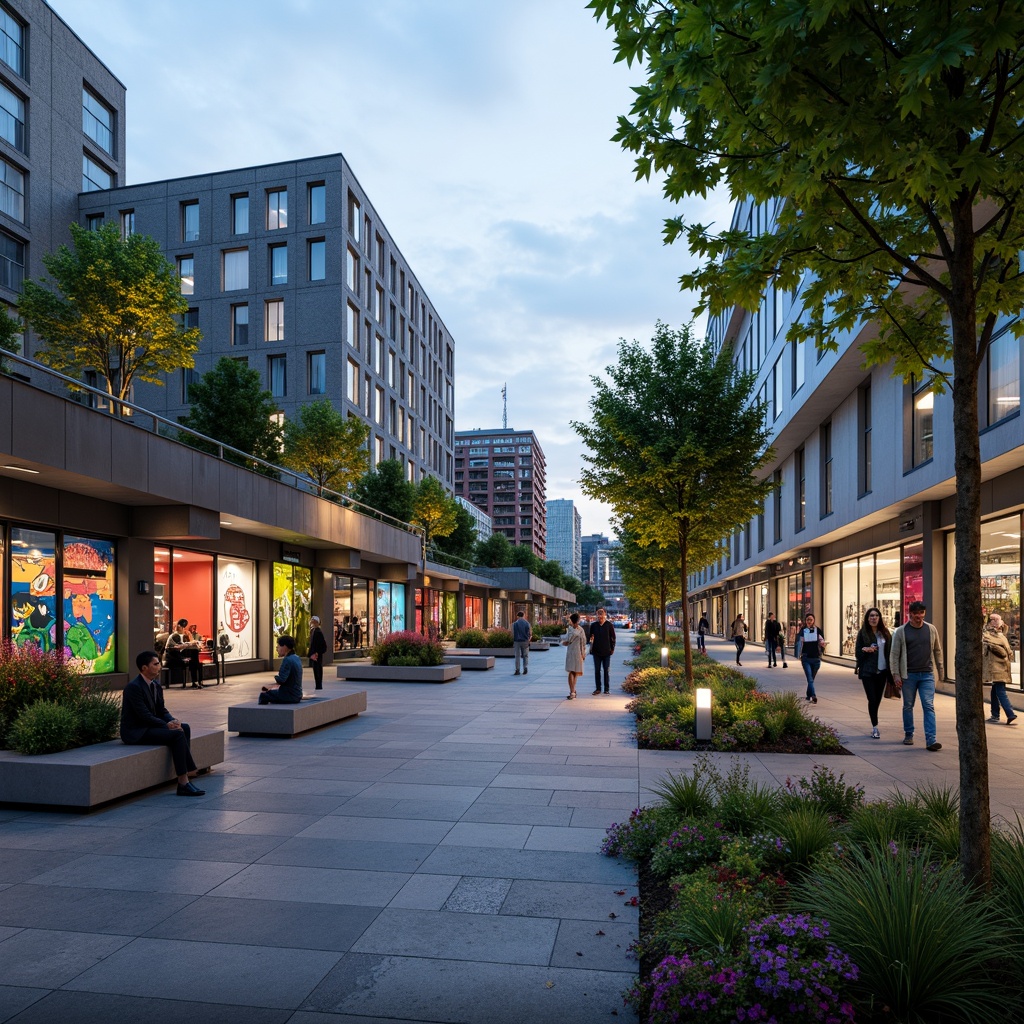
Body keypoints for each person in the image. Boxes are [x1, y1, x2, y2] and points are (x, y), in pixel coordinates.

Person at [120, 650, 204, 796]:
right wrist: (166, 725)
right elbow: (143, 715)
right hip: (137, 731)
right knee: (177, 735)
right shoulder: (134, 687)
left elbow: (161, 709)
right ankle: (183, 782)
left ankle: (188, 772)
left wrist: (172, 720)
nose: (159, 666)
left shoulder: (156, 685)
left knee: (184, 727)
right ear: (144, 668)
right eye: (156, 664)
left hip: (150, 726)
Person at [891, 600, 945, 751]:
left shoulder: (931, 629)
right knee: (908, 705)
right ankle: (909, 733)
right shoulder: (901, 631)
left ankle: (931, 740)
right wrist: (896, 674)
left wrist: (940, 672)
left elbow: (937, 651)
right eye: (916, 614)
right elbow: (894, 654)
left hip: (927, 674)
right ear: (910, 614)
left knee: (928, 705)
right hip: (908, 675)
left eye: (921, 613)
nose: (919, 616)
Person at [854, 607, 894, 739]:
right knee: (872, 699)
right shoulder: (863, 633)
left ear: (880, 618)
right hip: (868, 671)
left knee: (877, 699)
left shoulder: (885, 633)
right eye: (871, 616)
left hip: (882, 671)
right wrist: (865, 650)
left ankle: (874, 720)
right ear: (867, 618)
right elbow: (857, 653)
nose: (874, 618)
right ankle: (875, 727)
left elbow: (890, 653)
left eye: (876, 615)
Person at [984, 612, 1017, 726]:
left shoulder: (995, 637)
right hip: (1000, 669)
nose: (991, 623)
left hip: (999, 669)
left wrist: (991, 645)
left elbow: (1004, 653)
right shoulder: (1001, 636)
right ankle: (995, 715)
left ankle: (1010, 713)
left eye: (993, 620)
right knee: (994, 691)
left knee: (1000, 691)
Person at [260, 636, 303, 704]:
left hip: (288, 695)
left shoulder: (287, 660)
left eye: (278, 646)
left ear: (284, 647)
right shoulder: (296, 658)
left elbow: (281, 680)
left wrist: (272, 683)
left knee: (263, 695)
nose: (277, 649)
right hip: (297, 694)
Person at [165, 617, 203, 689]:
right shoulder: (174, 636)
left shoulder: (184, 635)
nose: (183, 629)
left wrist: (191, 642)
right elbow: (178, 647)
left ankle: (195, 681)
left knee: (194, 657)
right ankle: (195, 681)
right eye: (182, 627)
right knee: (194, 657)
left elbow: (184, 645)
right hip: (173, 657)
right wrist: (190, 644)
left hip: (179, 655)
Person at [797, 612, 826, 703]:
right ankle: (813, 695)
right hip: (806, 658)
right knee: (810, 678)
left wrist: (822, 644)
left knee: (811, 679)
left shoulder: (818, 631)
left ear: (814, 620)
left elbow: (822, 642)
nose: (809, 621)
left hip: (816, 658)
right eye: (807, 619)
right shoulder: (803, 630)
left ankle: (808, 694)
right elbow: (799, 643)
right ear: (805, 621)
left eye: (811, 619)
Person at [560, 612, 587, 700]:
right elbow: (583, 643)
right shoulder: (581, 630)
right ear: (578, 620)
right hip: (578, 653)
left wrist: (564, 643)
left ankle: (572, 691)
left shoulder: (570, 630)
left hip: (571, 652)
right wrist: (583, 654)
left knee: (571, 671)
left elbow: (566, 641)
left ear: (571, 620)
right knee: (575, 672)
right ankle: (573, 691)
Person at [589, 606, 617, 694]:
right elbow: (590, 637)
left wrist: (612, 648)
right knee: (597, 670)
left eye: (602, 615)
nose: (600, 617)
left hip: (606, 651)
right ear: (596, 615)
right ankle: (598, 688)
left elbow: (613, 637)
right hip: (596, 651)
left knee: (606, 669)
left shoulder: (609, 625)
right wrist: (590, 642)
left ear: (605, 615)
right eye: (598, 615)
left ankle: (606, 689)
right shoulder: (593, 625)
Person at [308, 615, 328, 690]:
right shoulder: (313, 631)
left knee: (317, 668)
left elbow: (322, 644)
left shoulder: (318, 632)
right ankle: (318, 684)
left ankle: (319, 685)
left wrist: (317, 652)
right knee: (316, 668)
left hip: (316, 653)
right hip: (315, 653)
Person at [512, 610, 532, 676]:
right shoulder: (527, 623)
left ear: (517, 616)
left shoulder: (514, 624)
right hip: (525, 641)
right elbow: (530, 633)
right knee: (525, 655)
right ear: (523, 616)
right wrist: (529, 639)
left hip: (517, 641)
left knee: (517, 656)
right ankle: (525, 668)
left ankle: (517, 670)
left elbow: (512, 633)